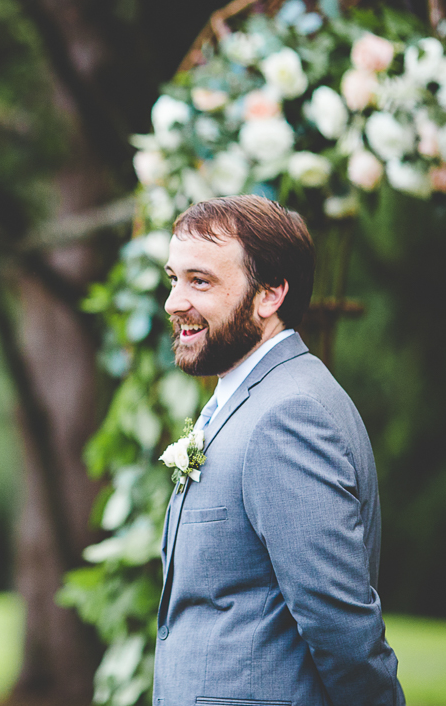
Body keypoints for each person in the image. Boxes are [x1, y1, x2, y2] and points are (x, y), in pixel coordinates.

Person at [155, 195, 402, 704]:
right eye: (173, 278)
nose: (174, 301)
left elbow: (341, 622)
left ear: (269, 296)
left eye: (200, 281)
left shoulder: (288, 416)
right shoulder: (251, 397)